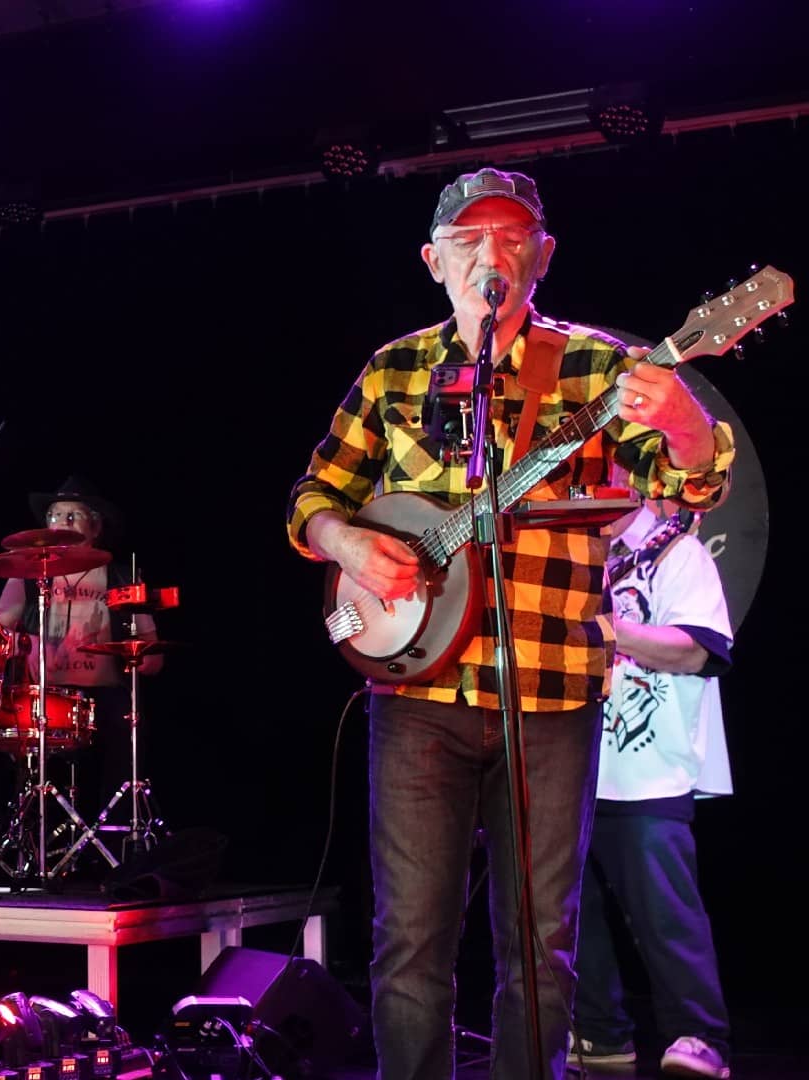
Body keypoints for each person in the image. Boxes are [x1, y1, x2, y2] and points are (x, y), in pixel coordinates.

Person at [284, 168, 734, 1080]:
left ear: (544, 254)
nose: (493, 253)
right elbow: (314, 498)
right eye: (469, 238)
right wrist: (349, 544)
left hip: (551, 683)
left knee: (540, 942)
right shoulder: (393, 367)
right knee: (410, 940)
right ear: (433, 259)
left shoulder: (599, 366)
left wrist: (687, 426)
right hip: (417, 690)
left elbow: (688, 484)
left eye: (513, 235)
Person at [572, 501, 734, 1079]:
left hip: (646, 769)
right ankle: (597, 1033)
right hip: (564, 762)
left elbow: (695, 648)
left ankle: (700, 1036)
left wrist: (605, 628)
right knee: (564, 915)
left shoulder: (676, 554)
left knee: (666, 915)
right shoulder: (565, 554)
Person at [0, 477, 162, 818]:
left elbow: (152, 649)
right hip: (46, 695)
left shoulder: (122, 576)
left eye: (73, 516)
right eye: (55, 516)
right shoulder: (27, 574)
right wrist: (7, 645)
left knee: (127, 737)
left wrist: (148, 658)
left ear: (95, 526)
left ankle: (114, 841)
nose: (62, 524)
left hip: (105, 696)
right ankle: (33, 837)